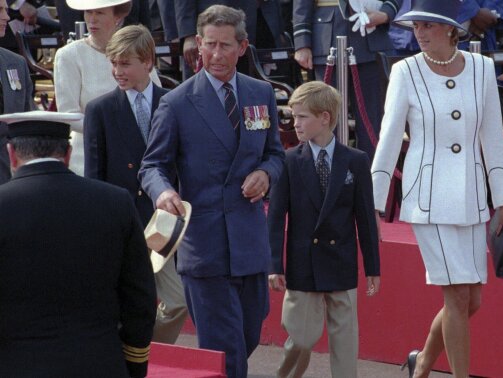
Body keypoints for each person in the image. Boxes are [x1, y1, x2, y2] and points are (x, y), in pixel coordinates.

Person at [370, 1, 503, 377]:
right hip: (428, 199)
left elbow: (492, 141)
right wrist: (371, 204)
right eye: (416, 25)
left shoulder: (483, 69)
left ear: (452, 29)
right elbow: (388, 141)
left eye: (429, 26)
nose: (419, 33)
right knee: (455, 296)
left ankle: (420, 363)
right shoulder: (405, 71)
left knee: (471, 301)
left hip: (472, 199)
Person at [139, 5, 285, 378]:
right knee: (226, 350)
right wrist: (163, 192)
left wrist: (266, 175)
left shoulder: (260, 94)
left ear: (243, 46)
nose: (216, 55)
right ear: (198, 47)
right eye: (209, 45)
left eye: (225, 45)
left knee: (247, 334)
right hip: (204, 243)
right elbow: (151, 165)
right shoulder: (176, 103)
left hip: (250, 242)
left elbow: (275, 154)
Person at [0, 110, 156, 378]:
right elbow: (139, 298)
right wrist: (134, 365)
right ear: (68, 153)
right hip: (100, 364)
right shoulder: (115, 202)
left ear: (11, 153)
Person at [83, 24, 188, 345]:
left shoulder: (174, 102)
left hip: (166, 224)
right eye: (113, 63)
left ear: (148, 62)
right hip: (122, 225)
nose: (117, 71)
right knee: (125, 305)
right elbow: (94, 176)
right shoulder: (99, 110)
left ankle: (146, 352)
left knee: (179, 301)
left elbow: (183, 164)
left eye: (125, 63)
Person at [267, 81, 380, 378]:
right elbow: (276, 217)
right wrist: (274, 265)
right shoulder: (289, 161)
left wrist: (372, 266)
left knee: (345, 346)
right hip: (303, 266)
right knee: (301, 340)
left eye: (302, 116)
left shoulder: (355, 161)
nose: (296, 123)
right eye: (294, 116)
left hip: (341, 263)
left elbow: (365, 217)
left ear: (325, 117)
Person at [54, 0, 161, 176]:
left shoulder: (135, 52)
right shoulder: (68, 55)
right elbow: (68, 115)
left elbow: (156, 100)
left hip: (139, 155)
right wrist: (111, 130)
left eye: (100, 13)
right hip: (89, 157)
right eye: (89, 12)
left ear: (117, 16)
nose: (92, 19)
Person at [293, 0, 401, 158]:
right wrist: (302, 42)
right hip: (328, 34)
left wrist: (385, 13)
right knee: (325, 118)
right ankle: (327, 177)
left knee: (371, 121)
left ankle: (369, 177)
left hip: (370, 34)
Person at [0, 0, 35, 184]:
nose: (6, 16)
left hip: (11, 177)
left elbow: (29, 119)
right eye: (0, 10)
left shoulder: (16, 63)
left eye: (6, 10)